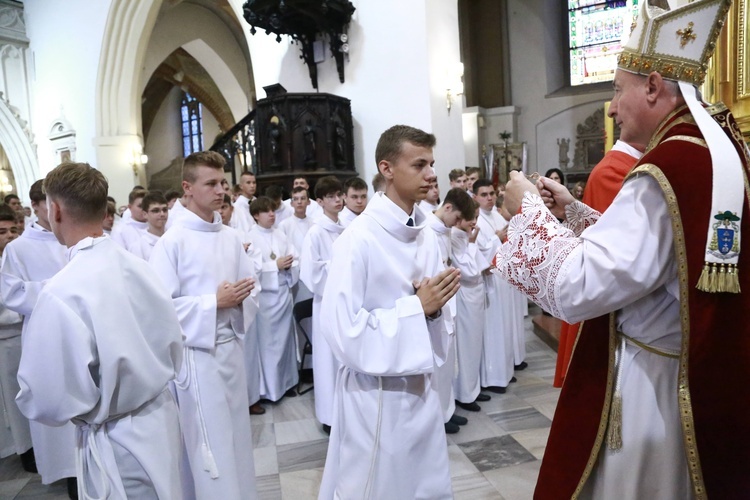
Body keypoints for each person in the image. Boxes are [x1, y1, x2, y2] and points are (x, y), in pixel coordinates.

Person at [495, 1, 749, 497]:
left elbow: (577, 287)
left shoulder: (666, 166)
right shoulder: (714, 150)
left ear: (653, 86)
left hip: (653, 389)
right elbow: (662, 258)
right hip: (695, 375)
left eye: (616, 89)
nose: (611, 107)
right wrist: (572, 212)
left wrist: (528, 209)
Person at [15, 162, 184, 499]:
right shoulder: (140, 266)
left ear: (56, 210)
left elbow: (46, 397)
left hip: (117, 442)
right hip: (160, 419)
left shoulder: (62, 291)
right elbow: (172, 338)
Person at [318, 125, 460, 499]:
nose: (431, 174)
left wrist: (432, 312)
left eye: (431, 163)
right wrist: (418, 309)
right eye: (419, 164)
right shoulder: (358, 239)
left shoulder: (427, 233)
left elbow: (438, 310)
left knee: (422, 486)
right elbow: (342, 329)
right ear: (387, 169)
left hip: (419, 390)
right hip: (374, 396)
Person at [149, 151, 259, 499]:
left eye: (223, 183)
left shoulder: (229, 236)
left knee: (238, 439)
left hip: (232, 352)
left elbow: (249, 288)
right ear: (187, 188)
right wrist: (214, 302)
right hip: (198, 358)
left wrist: (241, 300)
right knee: (209, 445)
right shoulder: (172, 242)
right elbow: (159, 310)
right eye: (210, 183)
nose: (221, 191)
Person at [0, 179, 77, 496]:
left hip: (79, 338)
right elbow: (11, 293)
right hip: (45, 342)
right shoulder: (19, 247)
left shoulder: (75, 238)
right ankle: (68, 474)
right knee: (61, 421)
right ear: (37, 206)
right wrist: (57, 289)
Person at [554, 140, 641, 388]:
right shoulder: (613, 170)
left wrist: (571, 207)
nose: (613, 109)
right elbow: (605, 257)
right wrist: (528, 209)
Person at [425, 188, 475, 433]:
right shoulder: (426, 231)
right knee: (438, 364)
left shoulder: (445, 230)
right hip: (434, 303)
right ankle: (439, 415)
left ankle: (447, 410)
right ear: (447, 208)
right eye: (457, 219)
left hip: (447, 301)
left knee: (447, 363)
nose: (458, 225)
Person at [299, 175, 345, 433]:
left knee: (343, 358)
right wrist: (337, 266)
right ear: (320, 201)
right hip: (325, 302)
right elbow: (309, 273)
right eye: (331, 196)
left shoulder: (345, 227)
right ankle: (329, 416)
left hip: (344, 303)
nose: (337, 200)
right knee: (328, 361)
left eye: (339, 194)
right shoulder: (315, 233)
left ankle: (346, 412)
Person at [474, 179, 523, 392]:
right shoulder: (476, 220)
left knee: (505, 326)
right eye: (484, 194)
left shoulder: (496, 214)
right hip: (490, 279)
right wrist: (497, 238)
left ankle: (505, 370)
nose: (489, 198)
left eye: (492, 193)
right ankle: (494, 377)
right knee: (493, 329)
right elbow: (476, 251)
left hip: (504, 278)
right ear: (475, 197)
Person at [248, 196, 299, 402]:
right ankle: (271, 390)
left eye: (273, 211)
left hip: (283, 295)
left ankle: (287, 383)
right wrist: (274, 266)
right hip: (265, 301)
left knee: (286, 342)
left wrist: (289, 265)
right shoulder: (250, 238)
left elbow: (295, 257)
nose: (271, 215)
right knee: (269, 346)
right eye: (266, 212)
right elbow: (251, 269)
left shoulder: (280, 235)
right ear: (255, 216)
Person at [0, 207, 33, 472]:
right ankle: (23, 449)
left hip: (26, 334)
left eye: (13, 230)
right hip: (5, 338)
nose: (9, 236)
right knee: (11, 399)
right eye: (2, 232)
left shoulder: (18, 257)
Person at [450, 200, 490, 412]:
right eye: (471, 218)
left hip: (475, 295)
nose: (474, 222)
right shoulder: (454, 237)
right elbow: (469, 271)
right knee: (465, 347)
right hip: (464, 296)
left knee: (475, 345)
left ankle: (473, 389)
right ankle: (464, 394)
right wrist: (473, 244)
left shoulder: (464, 236)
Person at [279, 186, 315, 303]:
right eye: (296, 199)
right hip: (296, 275)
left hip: (313, 272)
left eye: (303, 198)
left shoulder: (314, 224)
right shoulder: (284, 225)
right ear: (291, 203)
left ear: (309, 202)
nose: (299, 202)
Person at [110, 188, 148, 253]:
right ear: (130, 207)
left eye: (147, 205)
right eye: (140, 206)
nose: (144, 209)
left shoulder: (156, 226)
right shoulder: (120, 230)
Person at [133, 192, 168, 261]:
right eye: (156, 210)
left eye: (164, 210)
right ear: (145, 214)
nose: (162, 214)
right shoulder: (138, 246)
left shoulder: (175, 238)